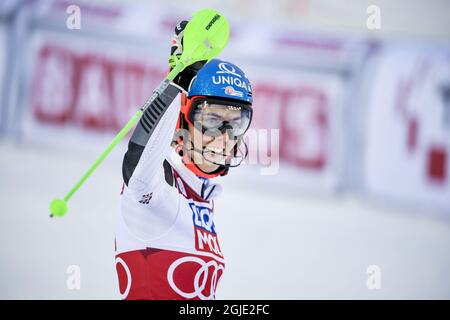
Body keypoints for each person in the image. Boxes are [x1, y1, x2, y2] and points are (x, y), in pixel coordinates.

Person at [114, 20, 253, 300]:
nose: (225, 137)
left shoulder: (201, 198)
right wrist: (177, 79)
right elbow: (137, 170)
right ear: (182, 122)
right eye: (211, 120)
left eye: (236, 123)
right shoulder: (157, 189)